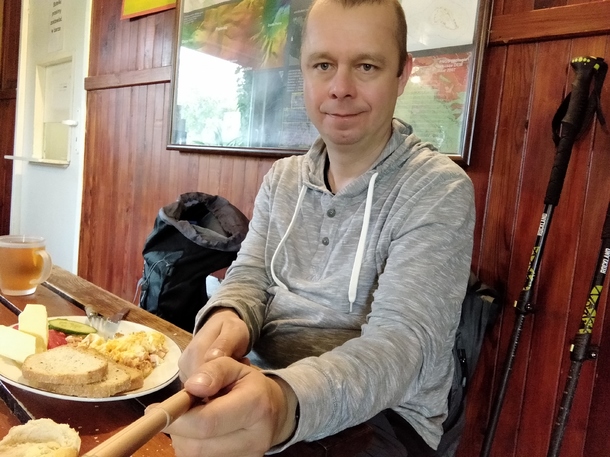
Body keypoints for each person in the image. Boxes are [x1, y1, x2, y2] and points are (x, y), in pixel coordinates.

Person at [165, 0, 475, 455]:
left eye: (366, 66)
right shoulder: (283, 178)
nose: (340, 88)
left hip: (385, 418)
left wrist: (281, 404)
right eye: (323, 65)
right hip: (263, 382)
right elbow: (250, 277)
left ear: (402, 74)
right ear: (304, 72)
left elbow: (402, 346)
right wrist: (227, 319)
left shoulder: (436, 187)